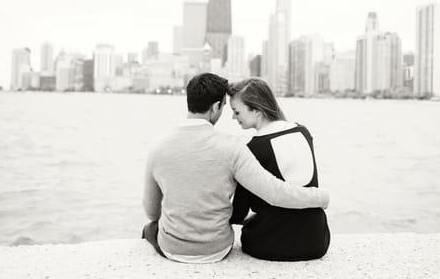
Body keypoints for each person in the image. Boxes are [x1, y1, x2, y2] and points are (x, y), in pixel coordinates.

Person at [142, 73, 330, 263]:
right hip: (218, 249)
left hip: (173, 248)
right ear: (216, 106)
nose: (230, 115)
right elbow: (273, 191)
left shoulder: (158, 147)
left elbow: (151, 212)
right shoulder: (234, 148)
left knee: (149, 228)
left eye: (236, 111)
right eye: (226, 107)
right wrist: (321, 197)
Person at [227, 77, 331, 261]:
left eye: (236, 111)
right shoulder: (303, 132)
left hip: (270, 244)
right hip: (317, 241)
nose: (233, 117)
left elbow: (238, 212)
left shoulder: (253, 149)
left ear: (256, 110)